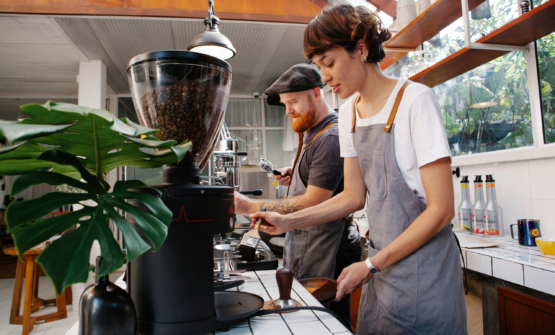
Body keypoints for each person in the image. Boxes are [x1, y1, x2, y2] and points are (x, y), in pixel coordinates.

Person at [249, 4, 467, 334]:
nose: (324, 76)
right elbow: (351, 197)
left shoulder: (414, 101)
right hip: (382, 265)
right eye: (318, 66)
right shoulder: (349, 113)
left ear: (361, 49)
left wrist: (370, 265)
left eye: (330, 63)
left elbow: (441, 210)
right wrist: (286, 221)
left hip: (425, 267)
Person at [234, 63, 361, 327]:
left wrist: (250, 205)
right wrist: (297, 175)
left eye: (292, 101)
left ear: (316, 93)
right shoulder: (314, 132)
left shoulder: (330, 137)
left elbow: (314, 200)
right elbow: (320, 182)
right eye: (284, 103)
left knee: (328, 323)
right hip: (309, 242)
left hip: (329, 246)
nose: (288, 109)